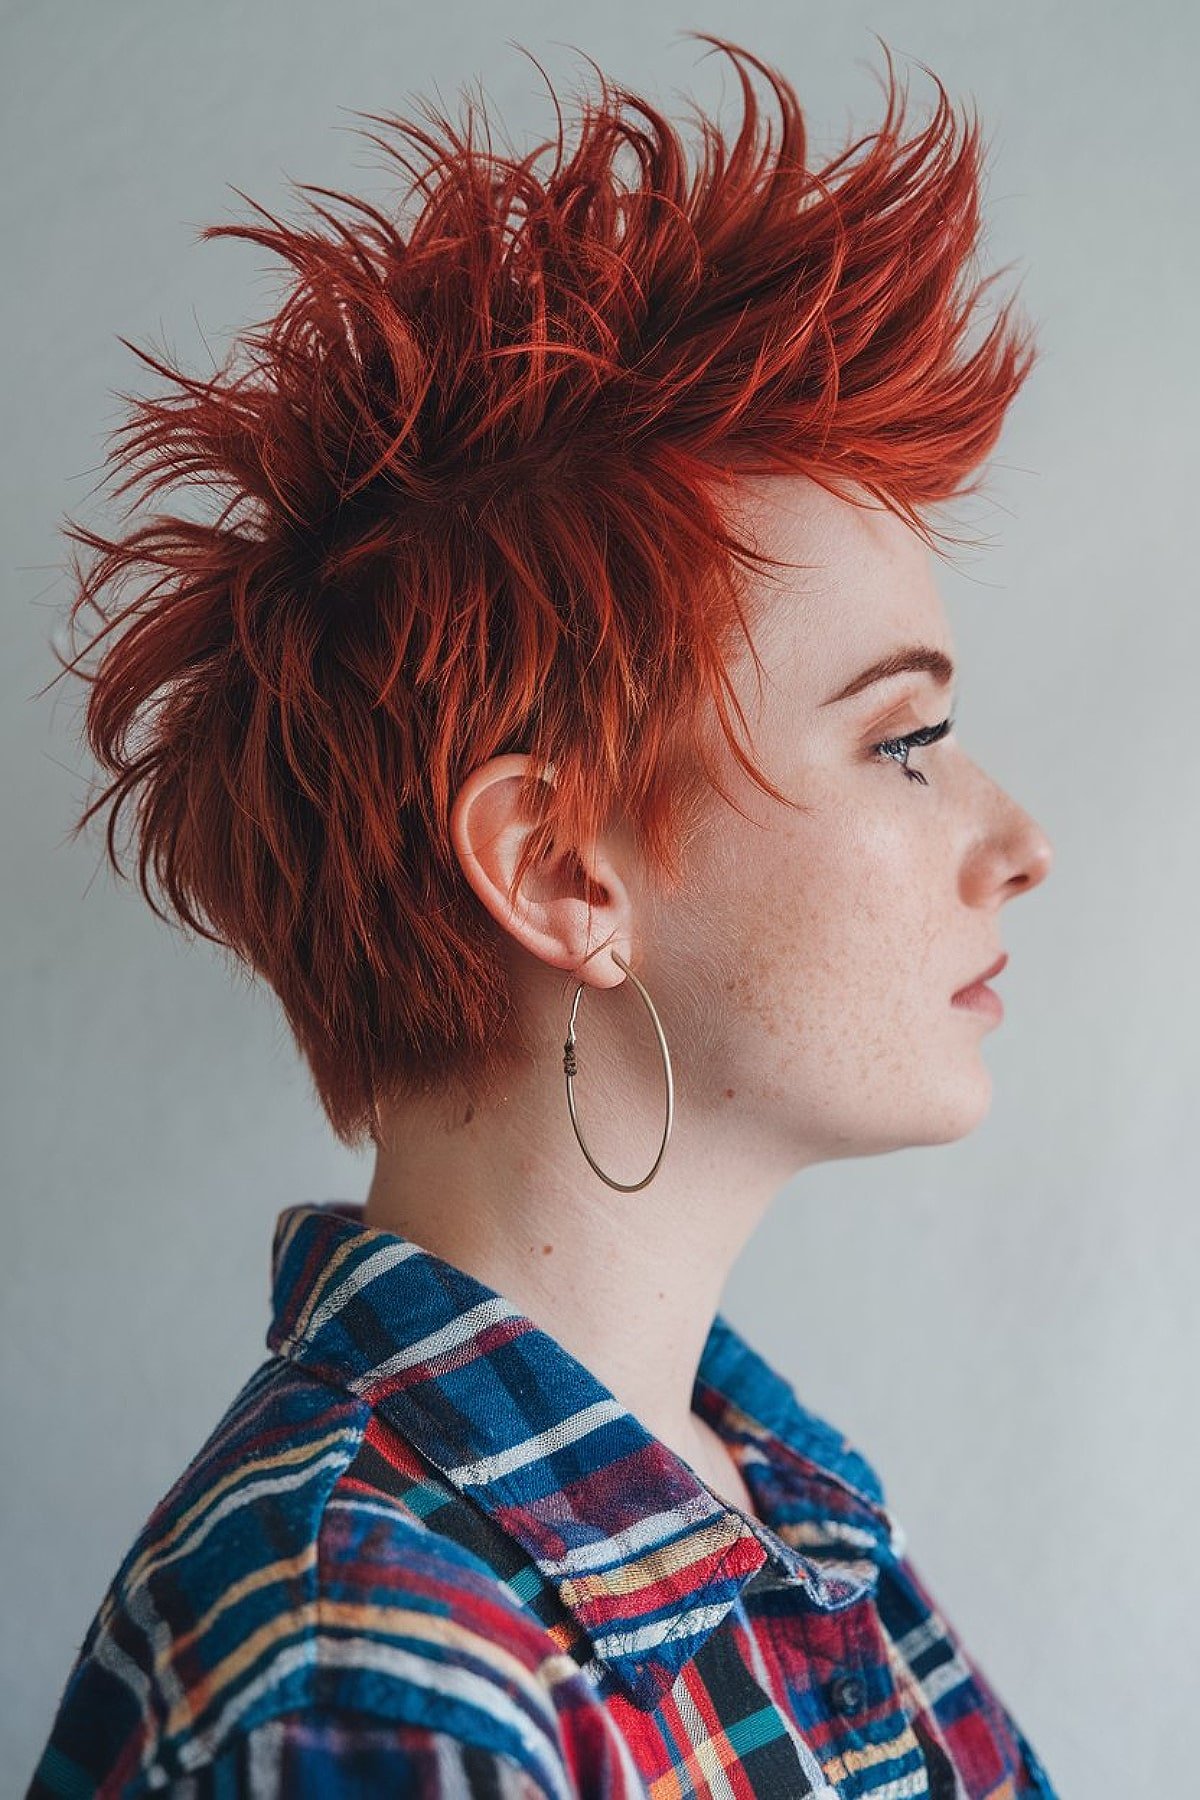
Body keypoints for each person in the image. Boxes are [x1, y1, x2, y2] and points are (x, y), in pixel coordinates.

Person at [27, 30, 1059, 1799]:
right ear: (565, 873)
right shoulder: (367, 1678)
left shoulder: (778, 1512)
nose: (1016, 839)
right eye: (906, 738)